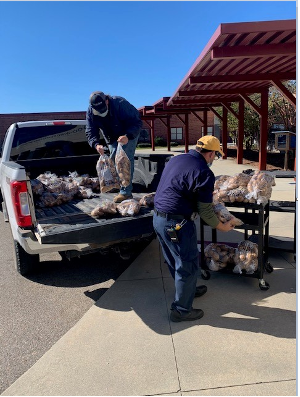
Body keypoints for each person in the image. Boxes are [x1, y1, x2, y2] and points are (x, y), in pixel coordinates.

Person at [153, 135, 235, 323]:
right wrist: (221, 226)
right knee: (187, 264)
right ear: (211, 153)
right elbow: (205, 209)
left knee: (175, 259)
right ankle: (181, 310)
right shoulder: (204, 172)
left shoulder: (177, 159)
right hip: (177, 224)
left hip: (158, 218)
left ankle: (186, 291)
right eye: (216, 155)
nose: (215, 159)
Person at [86, 91, 142, 203]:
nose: (101, 112)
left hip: (128, 133)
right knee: (112, 159)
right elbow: (90, 131)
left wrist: (127, 136)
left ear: (107, 101)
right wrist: (96, 144)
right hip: (111, 136)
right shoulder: (91, 112)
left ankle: (126, 192)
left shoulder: (120, 103)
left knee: (123, 160)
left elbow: (136, 122)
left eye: (103, 108)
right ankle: (116, 184)